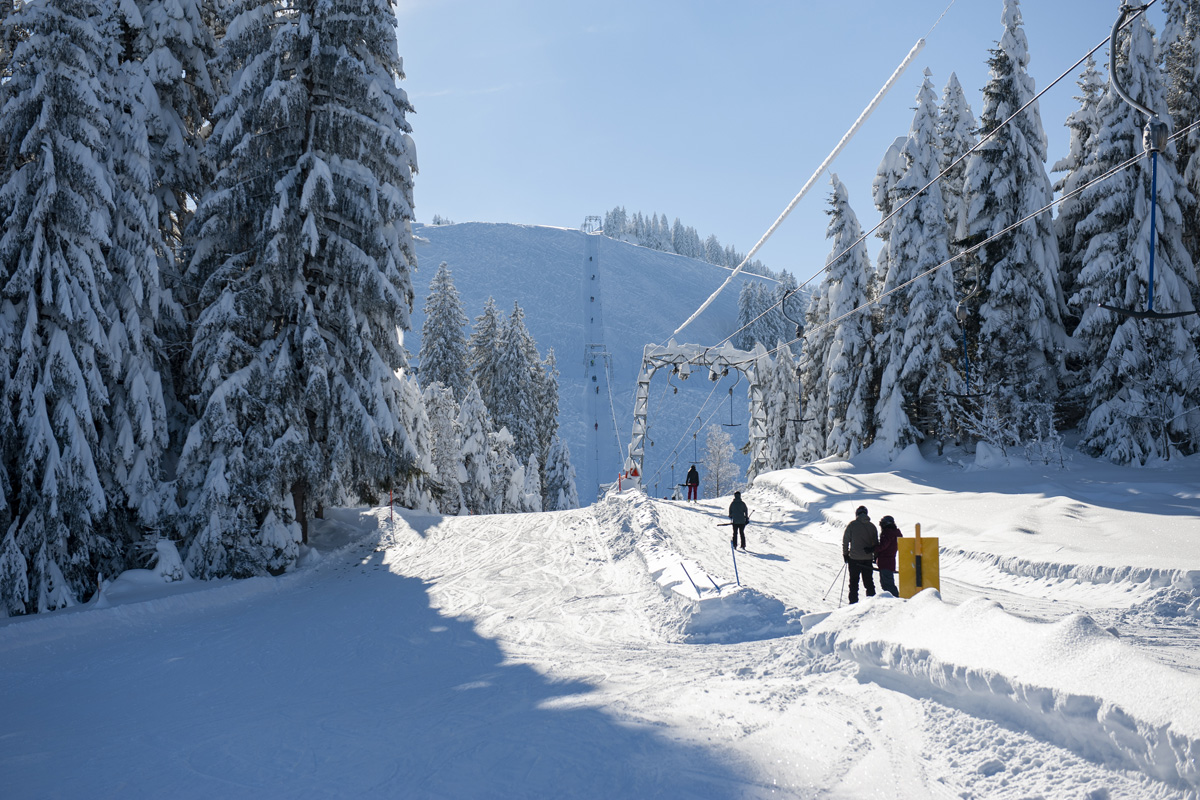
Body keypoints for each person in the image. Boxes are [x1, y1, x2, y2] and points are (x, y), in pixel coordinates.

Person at [842, 505, 878, 604]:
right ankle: (871, 604)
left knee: (854, 583)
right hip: (867, 558)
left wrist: (845, 554)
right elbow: (875, 543)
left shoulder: (852, 525)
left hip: (854, 559)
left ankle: (853, 604)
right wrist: (875, 556)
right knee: (869, 583)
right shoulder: (872, 526)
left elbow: (846, 541)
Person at [875, 515, 903, 597]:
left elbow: (883, 546)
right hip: (890, 561)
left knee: (888, 585)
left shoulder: (888, 533)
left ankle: (896, 601)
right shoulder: (896, 533)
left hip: (885, 561)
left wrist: (873, 548)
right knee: (886, 584)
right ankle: (895, 599)